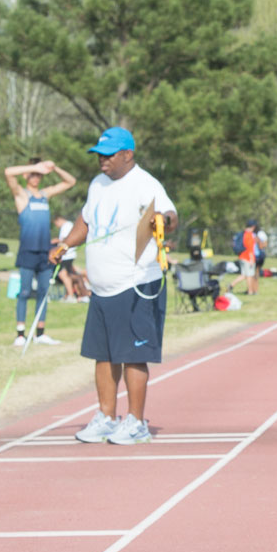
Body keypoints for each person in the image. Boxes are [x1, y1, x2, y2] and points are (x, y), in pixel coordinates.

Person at [50, 127, 177, 446]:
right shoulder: (97, 184)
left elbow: (170, 214)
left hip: (134, 283)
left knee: (132, 355)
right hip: (102, 287)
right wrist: (65, 245)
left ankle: (135, 422)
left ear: (127, 155)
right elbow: (86, 221)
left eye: (108, 155)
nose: (102, 160)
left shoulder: (145, 183)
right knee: (103, 355)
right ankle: (107, 417)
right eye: (98, 155)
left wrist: (163, 221)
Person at [4, 158, 76, 346]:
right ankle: (20, 334)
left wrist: (55, 167)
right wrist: (33, 167)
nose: (36, 177)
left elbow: (70, 182)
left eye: (39, 175)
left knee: (44, 292)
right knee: (25, 292)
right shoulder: (22, 195)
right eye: (33, 175)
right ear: (27, 175)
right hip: (28, 251)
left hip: (45, 252)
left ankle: (40, 333)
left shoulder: (45, 194)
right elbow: (8, 172)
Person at [52, 214, 91, 302]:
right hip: (66, 254)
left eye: (56, 224)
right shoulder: (66, 226)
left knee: (65, 275)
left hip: (67, 255)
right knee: (70, 275)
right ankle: (72, 294)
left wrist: (57, 241)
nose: (56, 226)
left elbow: (69, 240)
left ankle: (71, 295)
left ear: (58, 220)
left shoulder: (67, 226)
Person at [227, 219, 260, 295]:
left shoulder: (243, 233)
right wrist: (251, 259)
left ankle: (231, 285)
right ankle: (250, 291)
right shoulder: (249, 235)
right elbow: (249, 248)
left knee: (244, 275)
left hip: (242, 256)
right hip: (247, 257)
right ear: (253, 226)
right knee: (249, 275)